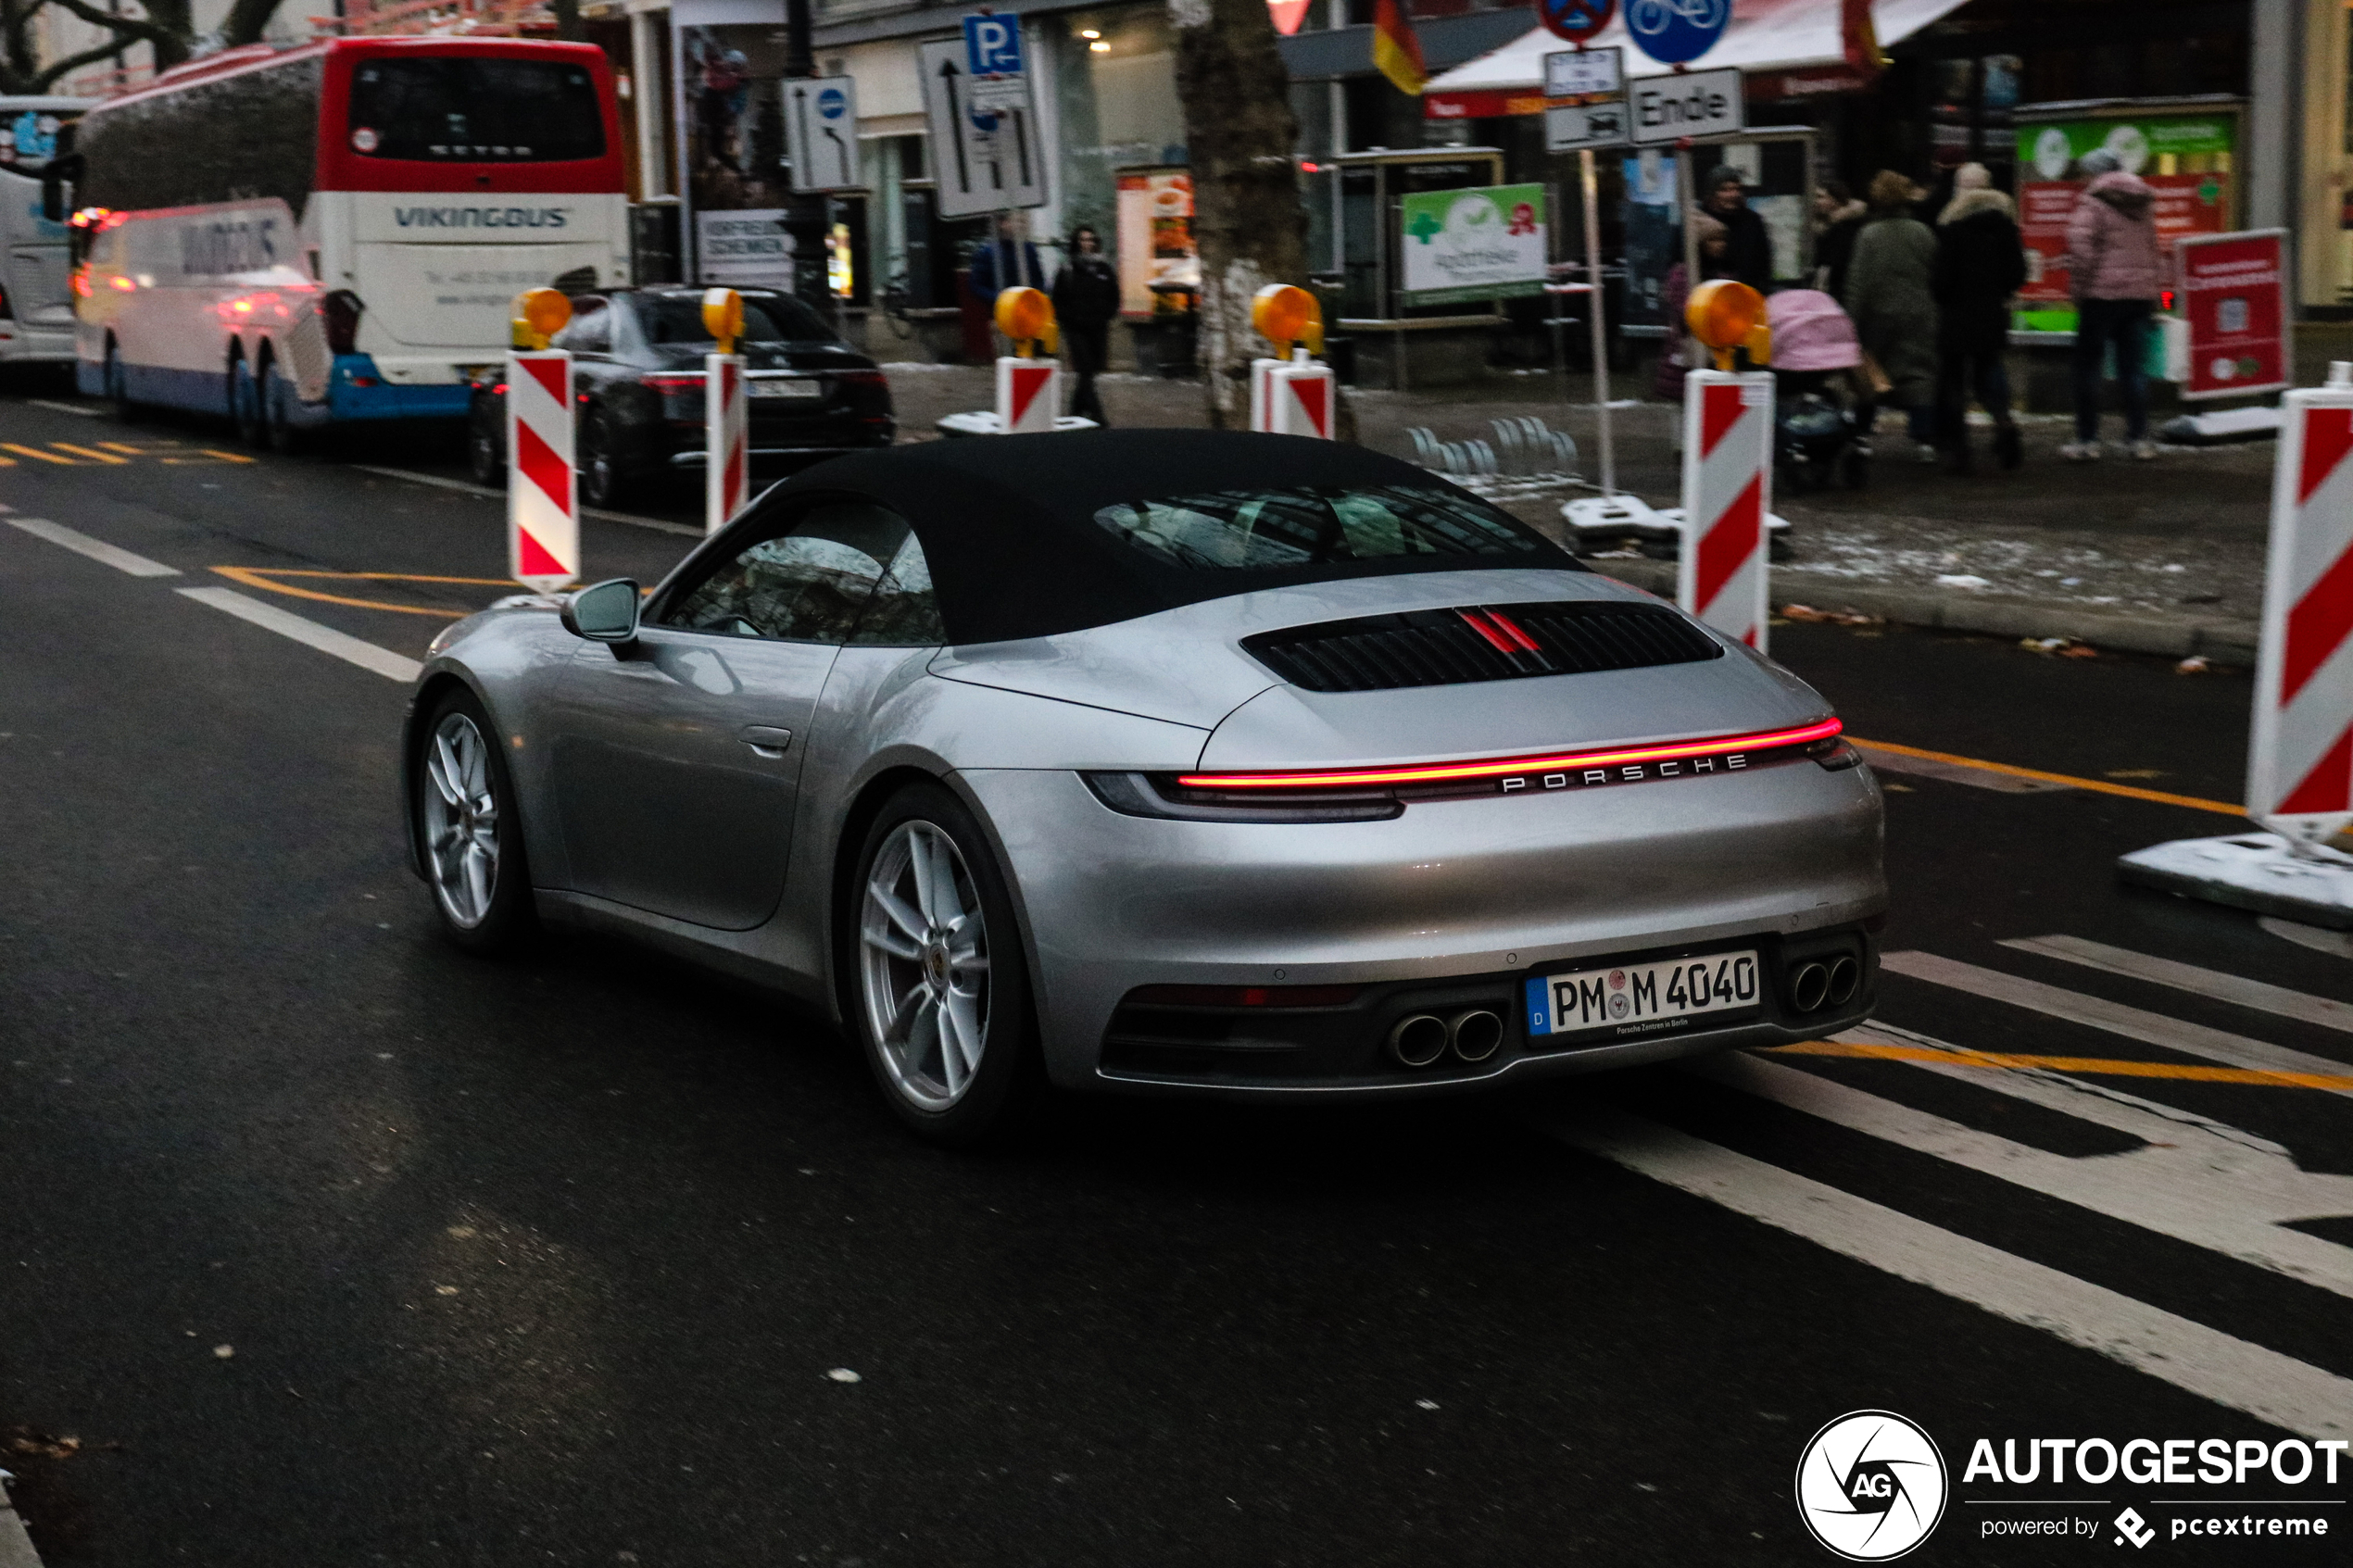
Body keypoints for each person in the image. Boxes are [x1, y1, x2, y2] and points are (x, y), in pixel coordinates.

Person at [2060, 147, 2163, 461]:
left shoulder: (2093, 202)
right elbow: (2152, 249)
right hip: (2138, 298)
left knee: (2088, 369)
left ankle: (2088, 441)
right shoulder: (2143, 204)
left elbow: (2081, 252)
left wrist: (2078, 291)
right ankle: (2138, 439)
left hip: (2100, 298)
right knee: (2133, 370)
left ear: (2096, 173)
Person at [1931, 162, 2027, 472]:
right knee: (1990, 370)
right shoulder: (2004, 226)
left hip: (1956, 314)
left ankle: (1958, 449)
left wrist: (1943, 296)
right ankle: (2004, 424)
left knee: (1954, 381)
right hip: (1991, 312)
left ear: (1960, 189)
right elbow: (2017, 273)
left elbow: (1941, 279)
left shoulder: (1952, 228)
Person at [1843, 169, 1941, 461]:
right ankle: (1924, 439)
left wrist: (1852, 320)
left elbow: (1858, 281)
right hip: (1920, 315)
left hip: (1878, 317)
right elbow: (1935, 273)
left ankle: (1861, 434)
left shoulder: (1868, 235)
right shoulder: (1922, 232)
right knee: (1920, 375)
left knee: (1871, 375)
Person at [1654, 214, 1730, 405]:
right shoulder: (1683, 275)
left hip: (1717, 352)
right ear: (1700, 244)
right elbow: (1686, 313)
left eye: (1722, 240)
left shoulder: (1723, 273)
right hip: (1688, 352)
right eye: (1713, 240)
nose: (1720, 245)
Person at [1052, 224, 1120, 425]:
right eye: (1083, 240)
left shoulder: (1104, 269)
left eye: (1090, 239)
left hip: (1098, 328)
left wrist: (1106, 314)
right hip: (1076, 328)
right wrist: (1070, 318)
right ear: (1076, 242)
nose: (1087, 244)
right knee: (1085, 369)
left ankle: (1076, 410)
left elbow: (1114, 296)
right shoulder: (1067, 269)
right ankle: (1098, 416)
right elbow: (1058, 299)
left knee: (1090, 371)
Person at [1701, 165, 1774, 293]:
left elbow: (1764, 261)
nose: (1732, 194)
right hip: (1707, 298)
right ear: (1712, 193)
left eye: (1736, 189)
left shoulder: (1752, 221)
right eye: (1724, 190)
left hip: (1746, 296)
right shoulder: (1698, 220)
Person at [1811, 180, 1868, 302]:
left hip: (1840, 293)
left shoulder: (1846, 227)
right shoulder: (1826, 227)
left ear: (1835, 200)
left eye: (1822, 197)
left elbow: (1835, 264)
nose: (1817, 202)